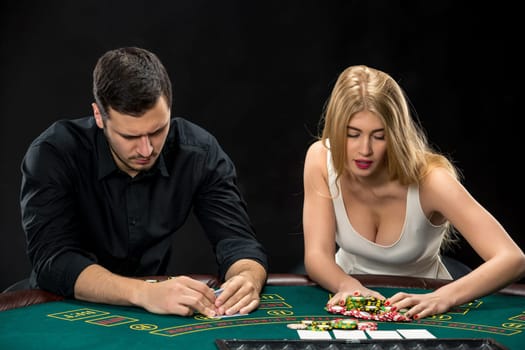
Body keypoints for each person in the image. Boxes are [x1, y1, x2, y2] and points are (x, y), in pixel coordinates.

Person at [20, 47, 268, 318]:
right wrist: (144, 293)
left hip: (157, 309)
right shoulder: (54, 153)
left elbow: (237, 241)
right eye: (130, 136)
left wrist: (247, 276)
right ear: (99, 116)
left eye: (158, 130)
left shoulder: (199, 152)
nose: (146, 149)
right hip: (62, 307)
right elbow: (54, 261)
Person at [302, 65, 525, 320]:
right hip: (347, 295)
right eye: (352, 134)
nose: (364, 149)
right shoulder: (320, 158)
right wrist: (347, 286)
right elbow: (317, 255)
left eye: (379, 136)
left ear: (396, 135)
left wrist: (444, 297)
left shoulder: (432, 180)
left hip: (422, 305)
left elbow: (513, 258)